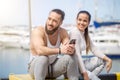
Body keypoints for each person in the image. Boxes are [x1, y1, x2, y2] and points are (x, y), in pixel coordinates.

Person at [28, 9, 79, 80]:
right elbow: (40, 51)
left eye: (55, 21)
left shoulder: (63, 32)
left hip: (52, 68)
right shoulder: (38, 31)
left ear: (60, 23)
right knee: (43, 58)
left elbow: (66, 44)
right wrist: (60, 50)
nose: (50, 23)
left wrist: (70, 49)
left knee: (71, 57)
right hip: (35, 69)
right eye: (49, 19)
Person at [69, 10, 112, 80]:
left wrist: (108, 59)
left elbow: (94, 49)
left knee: (102, 60)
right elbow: (77, 54)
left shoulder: (84, 33)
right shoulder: (75, 33)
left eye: (85, 21)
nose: (81, 23)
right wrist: (85, 73)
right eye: (79, 20)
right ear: (76, 20)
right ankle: (89, 77)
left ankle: (89, 77)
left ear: (88, 23)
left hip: (79, 65)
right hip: (73, 68)